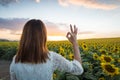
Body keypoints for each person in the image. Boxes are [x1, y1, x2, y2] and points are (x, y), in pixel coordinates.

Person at [10, 19, 84, 80]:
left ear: (24, 37)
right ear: (43, 37)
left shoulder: (15, 60)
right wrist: (75, 43)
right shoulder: (51, 58)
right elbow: (78, 69)